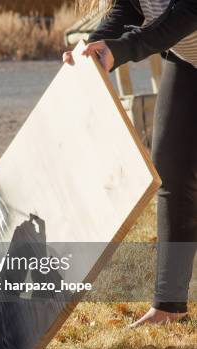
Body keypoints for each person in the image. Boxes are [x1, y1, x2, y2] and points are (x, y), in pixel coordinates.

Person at [63, 0, 196, 325]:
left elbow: (187, 13)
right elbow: (130, 9)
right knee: (172, 170)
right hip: (190, 62)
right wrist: (91, 49)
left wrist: (121, 49)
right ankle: (168, 307)